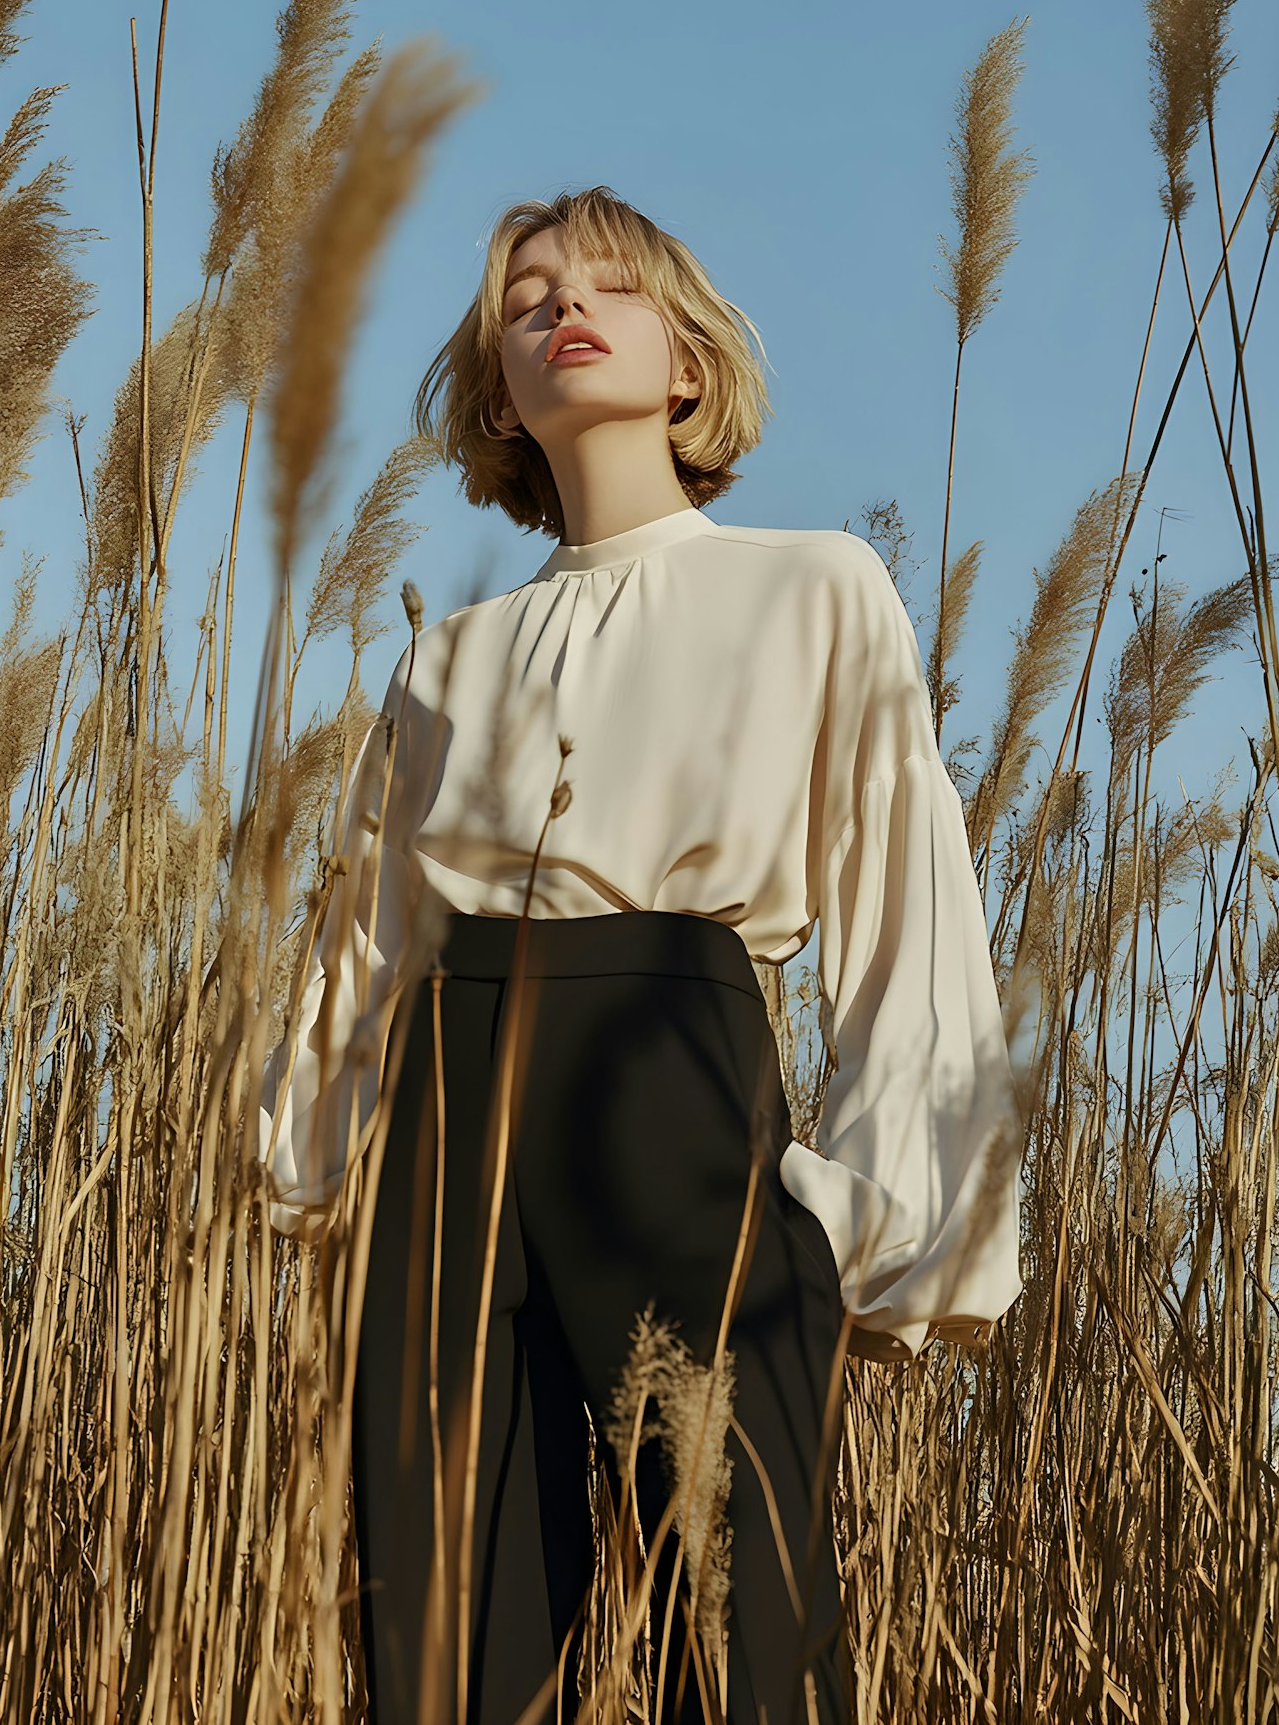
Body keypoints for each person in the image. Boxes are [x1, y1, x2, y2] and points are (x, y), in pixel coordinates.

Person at [260, 187, 1026, 1725]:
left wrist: (867, 1206)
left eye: (608, 284)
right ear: (497, 387)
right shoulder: (443, 656)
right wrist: (304, 1165)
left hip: (678, 1093)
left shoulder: (811, 586)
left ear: (688, 362)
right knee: (439, 1650)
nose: (562, 308)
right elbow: (369, 944)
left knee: (736, 1638)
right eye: (526, 299)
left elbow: (905, 892)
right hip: (450, 1134)